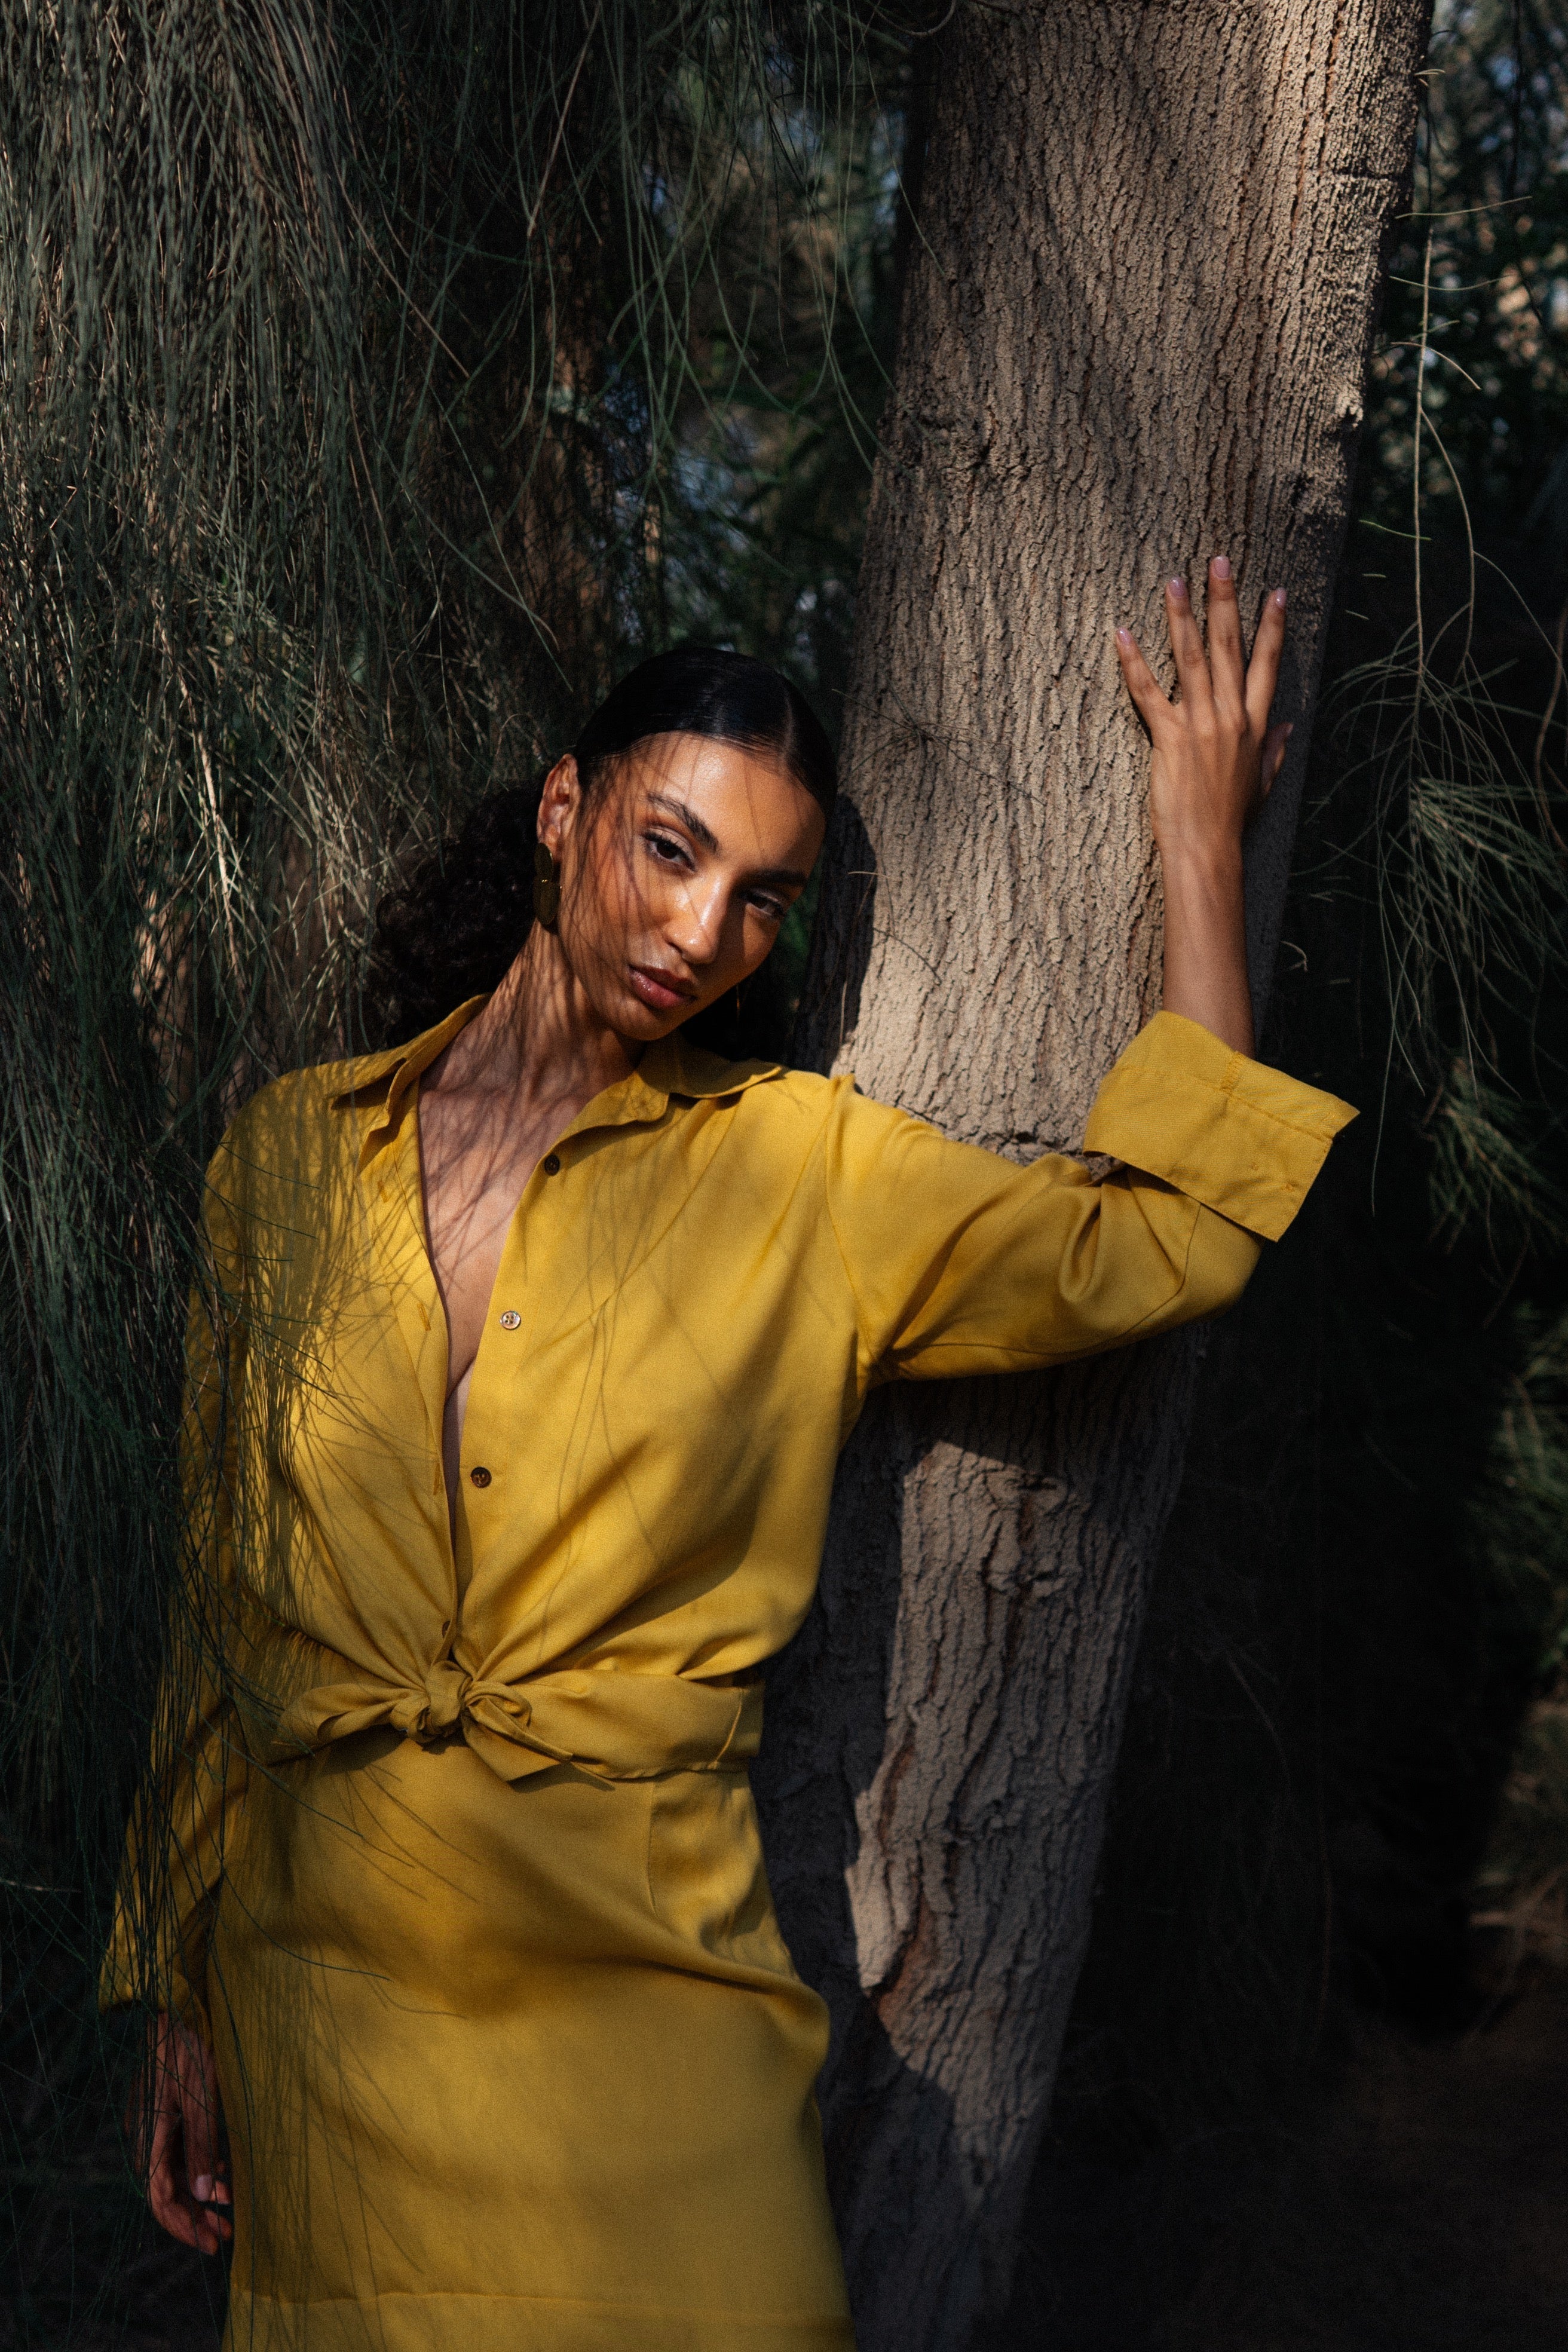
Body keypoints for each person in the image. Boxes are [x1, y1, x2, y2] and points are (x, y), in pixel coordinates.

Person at [105, 559, 1354, 2351]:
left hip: (652, 2013)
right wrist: (183, 1997)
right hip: (328, 2003)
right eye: (670, 849)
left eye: (765, 899)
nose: (702, 934)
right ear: (564, 810)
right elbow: (217, 1617)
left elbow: (1170, 1239)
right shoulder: (289, 1160)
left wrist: (1204, 835)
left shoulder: (802, 1172)